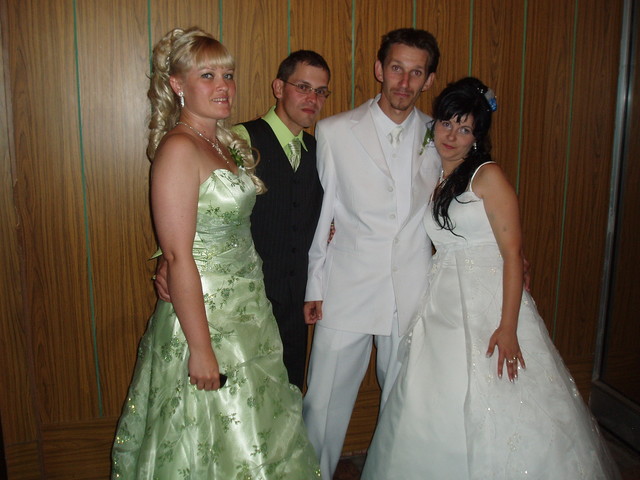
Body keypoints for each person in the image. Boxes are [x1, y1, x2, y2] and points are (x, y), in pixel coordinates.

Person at [361, 77, 621, 480]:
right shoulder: (437, 175)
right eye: (447, 123)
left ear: (477, 138)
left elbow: (513, 254)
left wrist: (509, 327)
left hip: (489, 304)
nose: (452, 135)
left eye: (465, 129)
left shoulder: (487, 175)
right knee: (433, 396)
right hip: (442, 303)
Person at [111, 27, 319, 478]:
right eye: (207, 76)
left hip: (248, 307)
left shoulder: (223, 142)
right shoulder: (178, 148)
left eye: (228, 75)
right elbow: (178, 256)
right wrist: (201, 349)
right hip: (204, 315)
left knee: (255, 427)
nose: (223, 86)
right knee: (209, 433)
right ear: (177, 84)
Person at [302, 28, 441, 479]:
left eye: (416, 72)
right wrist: (315, 285)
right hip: (347, 287)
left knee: (404, 404)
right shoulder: (334, 131)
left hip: (412, 291)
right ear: (380, 69)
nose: (404, 81)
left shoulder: (440, 136)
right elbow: (323, 215)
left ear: (429, 80)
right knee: (323, 402)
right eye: (397, 68)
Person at [232, 50, 330, 390]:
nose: (313, 99)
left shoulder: (321, 151)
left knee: (289, 390)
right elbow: (202, 207)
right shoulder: (240, 140)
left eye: (320, 91)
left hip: (295, 301)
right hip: (245, 299)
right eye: (303, 87)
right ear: (278, 87)